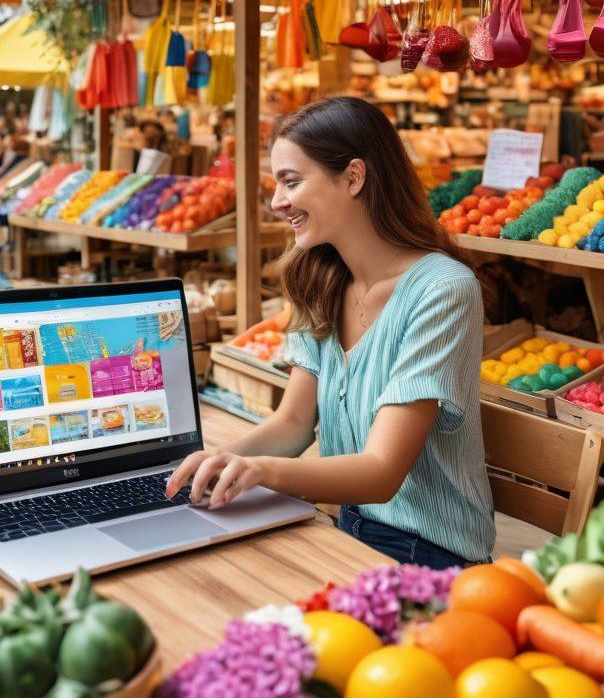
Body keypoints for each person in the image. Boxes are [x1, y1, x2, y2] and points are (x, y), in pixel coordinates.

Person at [166, 96, 495, 568]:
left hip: (430, 554)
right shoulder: (321, 279)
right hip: (345, 530)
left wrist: (260, 472)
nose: (278, 202)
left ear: (354, 178)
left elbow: (382, 473)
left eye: (291, 182)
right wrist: (216, 463)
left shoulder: (443, 291)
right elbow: (293, 424)